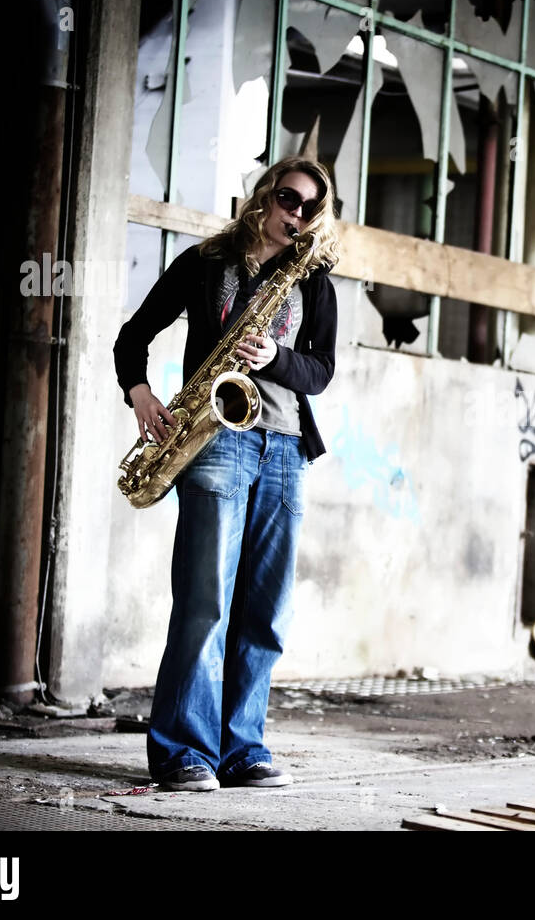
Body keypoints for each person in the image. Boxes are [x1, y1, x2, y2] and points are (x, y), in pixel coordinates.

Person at [113, 157, 341, 791]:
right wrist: (140, 394)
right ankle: (184, 752)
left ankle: (244, 748)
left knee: (264, 613)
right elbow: (132, 336)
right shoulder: (206, 262)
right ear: (266, 197)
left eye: (311, 209)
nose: (299, 216)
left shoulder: (314, 279)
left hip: (286, 450)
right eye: (291, 201)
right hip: (216, 445)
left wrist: (275, 357)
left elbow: (320, 372)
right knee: (206, 602)